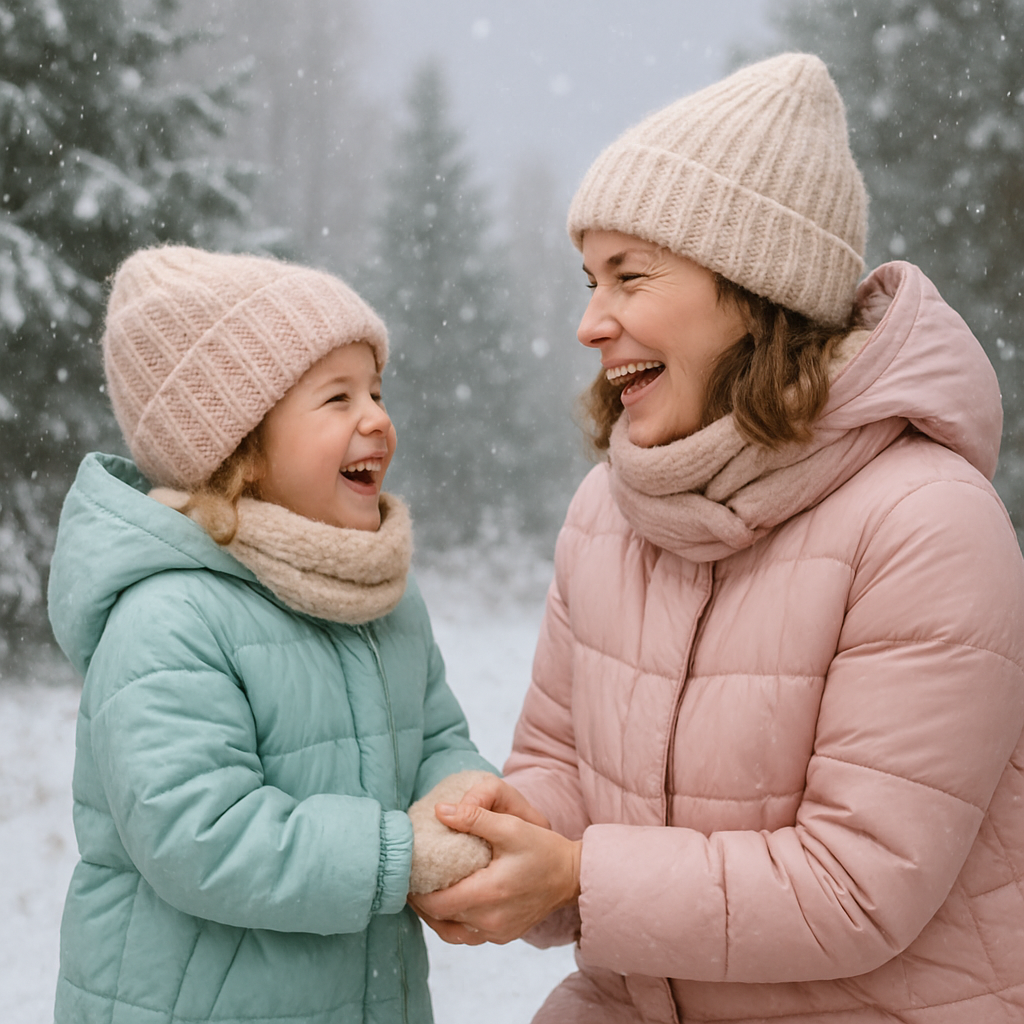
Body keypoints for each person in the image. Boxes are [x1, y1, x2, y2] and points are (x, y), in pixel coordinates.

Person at [410, 53, 1024, 1023]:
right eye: (587, 279)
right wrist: (510, 842)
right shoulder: (606, 511)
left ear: (752, 288)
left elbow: (856, 882)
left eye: (628, 277)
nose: (587, 322)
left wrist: (578, 875)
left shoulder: (925, 525)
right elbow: (562, 769)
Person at [47, 246, 496, 1024]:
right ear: (242, 445)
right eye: (337, 397)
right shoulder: (169, 615)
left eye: (377, 390)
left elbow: (434, 739)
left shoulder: (381, 597)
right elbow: (201, 834)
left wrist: (465, 803)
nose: (378, 418)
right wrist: (399, 855)